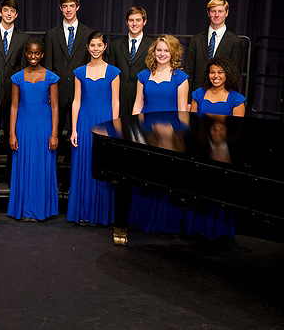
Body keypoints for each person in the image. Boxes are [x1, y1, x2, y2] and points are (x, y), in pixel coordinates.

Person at [130, 35, 189, 233]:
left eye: (166, 50)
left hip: (169, 135)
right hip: (145, 132)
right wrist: (134, 131)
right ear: (153, 52)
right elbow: (138, 104)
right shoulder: (143, 76)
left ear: (173, 53)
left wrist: (177, 137)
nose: (162, 54)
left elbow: (183, 110)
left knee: (164, 178)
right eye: (159, 50)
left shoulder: (180, 78)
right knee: (143, 177)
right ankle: (142, 219)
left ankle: (164, 223)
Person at [186, 56, 245, 239]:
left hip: (224, 154)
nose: (216, 76)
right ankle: (197, 228)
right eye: (212, 72)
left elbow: (237, 131)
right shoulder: (198, 94)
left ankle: (218, 232)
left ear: (227, 74)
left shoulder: (236, 99)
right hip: (202, 150)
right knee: (199, 191)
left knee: (220, 193)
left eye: (220, 72)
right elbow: (193, 125)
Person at [67, 32, 120, 225]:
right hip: (84, 122)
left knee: (102, 165)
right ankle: (83, 212)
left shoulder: (114, 72)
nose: (96, 49)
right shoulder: (79, 72)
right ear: (87, 47)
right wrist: (73, 129)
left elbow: (116, 101)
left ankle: (100, 214)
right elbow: (76, 102)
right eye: (92, 45)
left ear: (105, 47)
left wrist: (114, 128)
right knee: (84, 164)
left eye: (99, 45)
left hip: (105, 122)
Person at [8, 37, 59, 221]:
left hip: (44, 127)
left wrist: (54, 134)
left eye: (37, 53)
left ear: (42, 54)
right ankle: (25, 209)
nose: (33, 56)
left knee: (42, 167)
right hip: (24, 127)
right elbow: (14, 106)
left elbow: (55, 106)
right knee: (24, 166)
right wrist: (12, 133)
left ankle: (40, 210)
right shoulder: (17, 77)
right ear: (26, 53)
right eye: (30, 52)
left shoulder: (51, 77)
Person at [0, 0, 29, 182]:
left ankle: (12, 177)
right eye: (6, 10)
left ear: (16, 15)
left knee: (12, 137)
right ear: (0, 12)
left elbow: (24, 69)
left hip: (13, 97)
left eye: (13, 11)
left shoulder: (23, 38)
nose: (9, 13)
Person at [44, 0, 93, 133]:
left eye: (72, 6)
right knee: (54, 133)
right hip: (58, 93)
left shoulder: (88, 33)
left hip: (80, 93)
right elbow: (48, 65)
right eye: (65, 6)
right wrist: (48, 92)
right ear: (60, 8)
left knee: (78, 132)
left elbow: (90, 64)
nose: (68, 10)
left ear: (77, 7)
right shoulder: (52, 34)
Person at [186, 0, 244, 98]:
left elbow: (235, 75)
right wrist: (189, 100)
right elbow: (189, 72)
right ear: (208, 13)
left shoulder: (235, 42)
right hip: (198, 96)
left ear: (226, 13)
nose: (216, 15)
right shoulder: (196, 39)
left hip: (222, 97)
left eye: (220, 11)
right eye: (213, 11)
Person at [107, 6, 153, 118]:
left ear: (144, 22)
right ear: (126, 22)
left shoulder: (152, 45)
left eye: (138, 20)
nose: (134, 24)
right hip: (120, 100)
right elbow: (112, 74)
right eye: (131, 20)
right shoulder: (115, 45)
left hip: (142, 100)